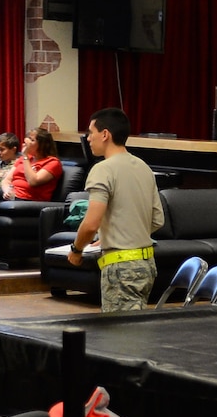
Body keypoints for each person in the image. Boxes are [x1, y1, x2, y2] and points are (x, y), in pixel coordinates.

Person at [66, 108, 164, 313]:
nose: (88, 139)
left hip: (121, 268)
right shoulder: (144, 167)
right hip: (147, 264)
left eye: (91, 132)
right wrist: (119, 233)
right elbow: (157, 220)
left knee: (120, 338)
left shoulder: (103, 169)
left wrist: (76, 250)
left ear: (105, 134)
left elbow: (91, 223)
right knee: (135, 332)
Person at [0, 127, 62, 242]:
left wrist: (25, 157)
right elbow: (6, 180)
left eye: (32, 139)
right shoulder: (24, 159)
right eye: (27, 138)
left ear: (42, 144)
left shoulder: (52, 163)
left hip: (29, 199)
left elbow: (33, 181)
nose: (26, 141)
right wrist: (6, 191)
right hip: (13, 196)